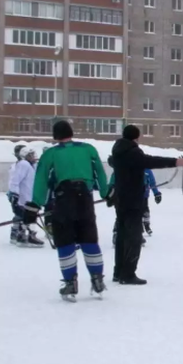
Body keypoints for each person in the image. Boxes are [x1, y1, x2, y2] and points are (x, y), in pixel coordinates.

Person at [23, 120, 108, 301]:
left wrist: (34, 205)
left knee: (65, 241)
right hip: (85, 199)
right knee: (89, 238)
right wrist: (106, 192)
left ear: (55, 136)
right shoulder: (88, 149)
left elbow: (41, 181)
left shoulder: (51, 154)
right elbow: (100, 172)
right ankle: (97, 280)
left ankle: (70, 283)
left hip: (63, 201)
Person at [108, 124, 183, 285]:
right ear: (136, 137)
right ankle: (128, 274)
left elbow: (117, 162)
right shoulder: (132, 152)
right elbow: (150, 161)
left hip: (121, 199)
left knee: (122, 236)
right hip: (133, 200)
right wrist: (175, 161)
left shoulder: (117, 152)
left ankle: (118, 272)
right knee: (134, 238)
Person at [110, 169, 161, 245]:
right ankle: (117, 234)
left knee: (137, 216)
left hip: (141, 196)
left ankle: (137, 234)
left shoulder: (146, 169)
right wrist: (111, 194)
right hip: (123, 196)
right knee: (122, 215)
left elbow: (152, 182)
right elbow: (113, 181)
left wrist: (156, 193)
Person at [8, 146, 44, 247]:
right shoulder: (23, 164)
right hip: (23, 198)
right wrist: (14, 194)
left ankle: (26, 236)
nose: (33, 156)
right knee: (24, 217)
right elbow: (14, 181)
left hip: (30, 197)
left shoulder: (32, 165)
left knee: (29, 217)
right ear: (25, 156)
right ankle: (22, 236)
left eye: (33, 154)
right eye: (31, 155)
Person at [7, 144, 26, 244]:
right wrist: (14, 194)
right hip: (16, 195)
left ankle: (20, 232)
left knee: (23, 214)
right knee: (19, 214)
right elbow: (13, 182)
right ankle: (16, 233)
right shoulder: (16, 166)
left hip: (23, 195)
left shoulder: (24, 165)